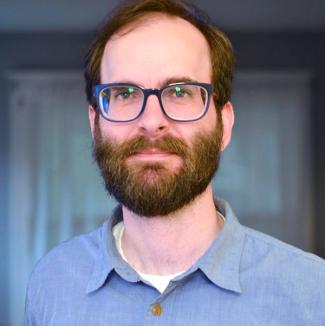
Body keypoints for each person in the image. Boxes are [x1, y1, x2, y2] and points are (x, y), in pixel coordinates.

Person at [25, 0, 325, 325]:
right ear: (94, 125)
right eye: (124, 93)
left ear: (223, 126)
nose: (151, 121)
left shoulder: (311, 292)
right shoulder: (51, 283)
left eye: (180, 92)